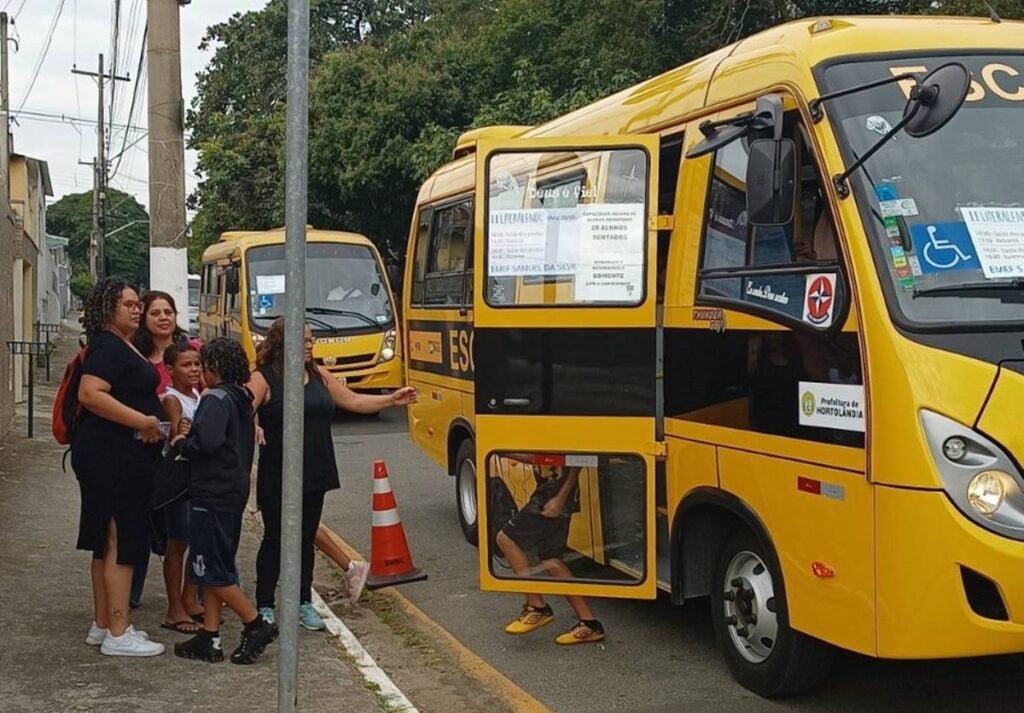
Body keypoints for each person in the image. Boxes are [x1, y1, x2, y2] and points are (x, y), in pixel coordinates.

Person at [247, 318, 417, 629]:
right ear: (283, 342)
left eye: (311, 339)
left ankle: (302, 602)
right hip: (279, 472)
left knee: (305, 538)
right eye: (304, 339)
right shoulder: (264, 377)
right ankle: (265, 605)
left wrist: (392, 399)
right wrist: (254, 425)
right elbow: (244, 407)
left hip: (316, 468)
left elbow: (353, 400)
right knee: (275, 539)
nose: (310, 345)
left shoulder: (317, 374)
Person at [73, 278, 166, 657]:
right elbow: (90, 393)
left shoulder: (119, 344)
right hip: (113, 456)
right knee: (120, 538)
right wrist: (142, 421)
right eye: (127, 304)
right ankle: (118, 630)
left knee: (104, 539)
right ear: (107, 308)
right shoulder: (108, 346)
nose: (136, 309)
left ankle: (103, 624)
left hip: (111, 454)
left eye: (136, 303)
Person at [171, 338, 278, 664]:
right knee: (216, 563)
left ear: (213, 368)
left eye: (202, 366)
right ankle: (210, 634)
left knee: (210, 567)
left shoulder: (214, 399)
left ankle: (256, 624)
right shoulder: (241, 397)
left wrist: (181, 441)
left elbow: (206, 443)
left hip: (212, 492)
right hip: (233, 489)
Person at [128, 290, 202, 613]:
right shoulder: (135, 356)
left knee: (189, 532)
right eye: (155, 312)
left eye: (168, 311)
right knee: (147, 527)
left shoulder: (192, 349)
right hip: (149, 453)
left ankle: (195, 596)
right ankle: (133, 594)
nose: (162, 317)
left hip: (190, 463)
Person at [495, 460, 605, 645]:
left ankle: (537, 606)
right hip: (550, 492)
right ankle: (589, 624)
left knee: (506, 539)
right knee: (550, 559)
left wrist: (560, 498)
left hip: (554, 494)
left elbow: (579, 458)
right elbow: (538, 457)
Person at [158, 343, 204, 634]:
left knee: (195, 539)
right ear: (170, 369)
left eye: (197, 364)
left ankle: (190, 598)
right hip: (178, 479)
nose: (194, 370)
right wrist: (184, 431)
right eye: (186, 365)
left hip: (195, 477)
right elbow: (174, 436)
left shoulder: (197, 395)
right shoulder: (172, 399)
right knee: (178, 542)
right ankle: (174, 608)